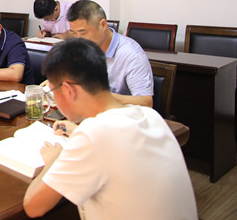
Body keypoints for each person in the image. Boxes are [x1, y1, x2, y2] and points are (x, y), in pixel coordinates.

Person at [23, 38, 197, 220]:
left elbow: (33, 206)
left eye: (52, 92)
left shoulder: (92, 136)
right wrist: (77, 131)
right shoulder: (150, 116)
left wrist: (54, 160)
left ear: (68, 90)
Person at [66, 0, 153, 107]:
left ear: (103, 25)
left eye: (83, 33)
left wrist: (102, 96)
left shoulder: (132, 55)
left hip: (120, 114)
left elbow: (146, 102)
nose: (79, 39)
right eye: (74, 33)